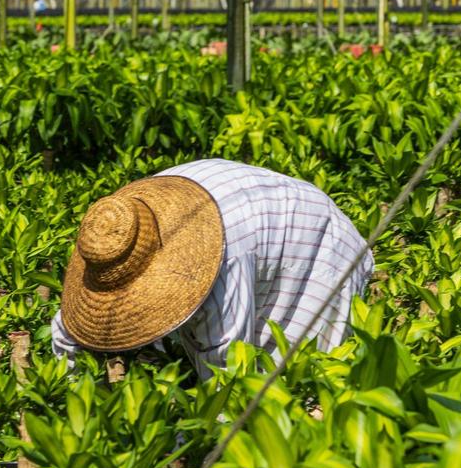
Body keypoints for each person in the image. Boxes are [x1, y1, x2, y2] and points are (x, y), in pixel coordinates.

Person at [51, 159, 374, 381]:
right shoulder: (113, 233)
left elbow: (227, 371)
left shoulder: (220, 262)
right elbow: (68, 337)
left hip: (313, 242)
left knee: (293, 383)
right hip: (247, 221)